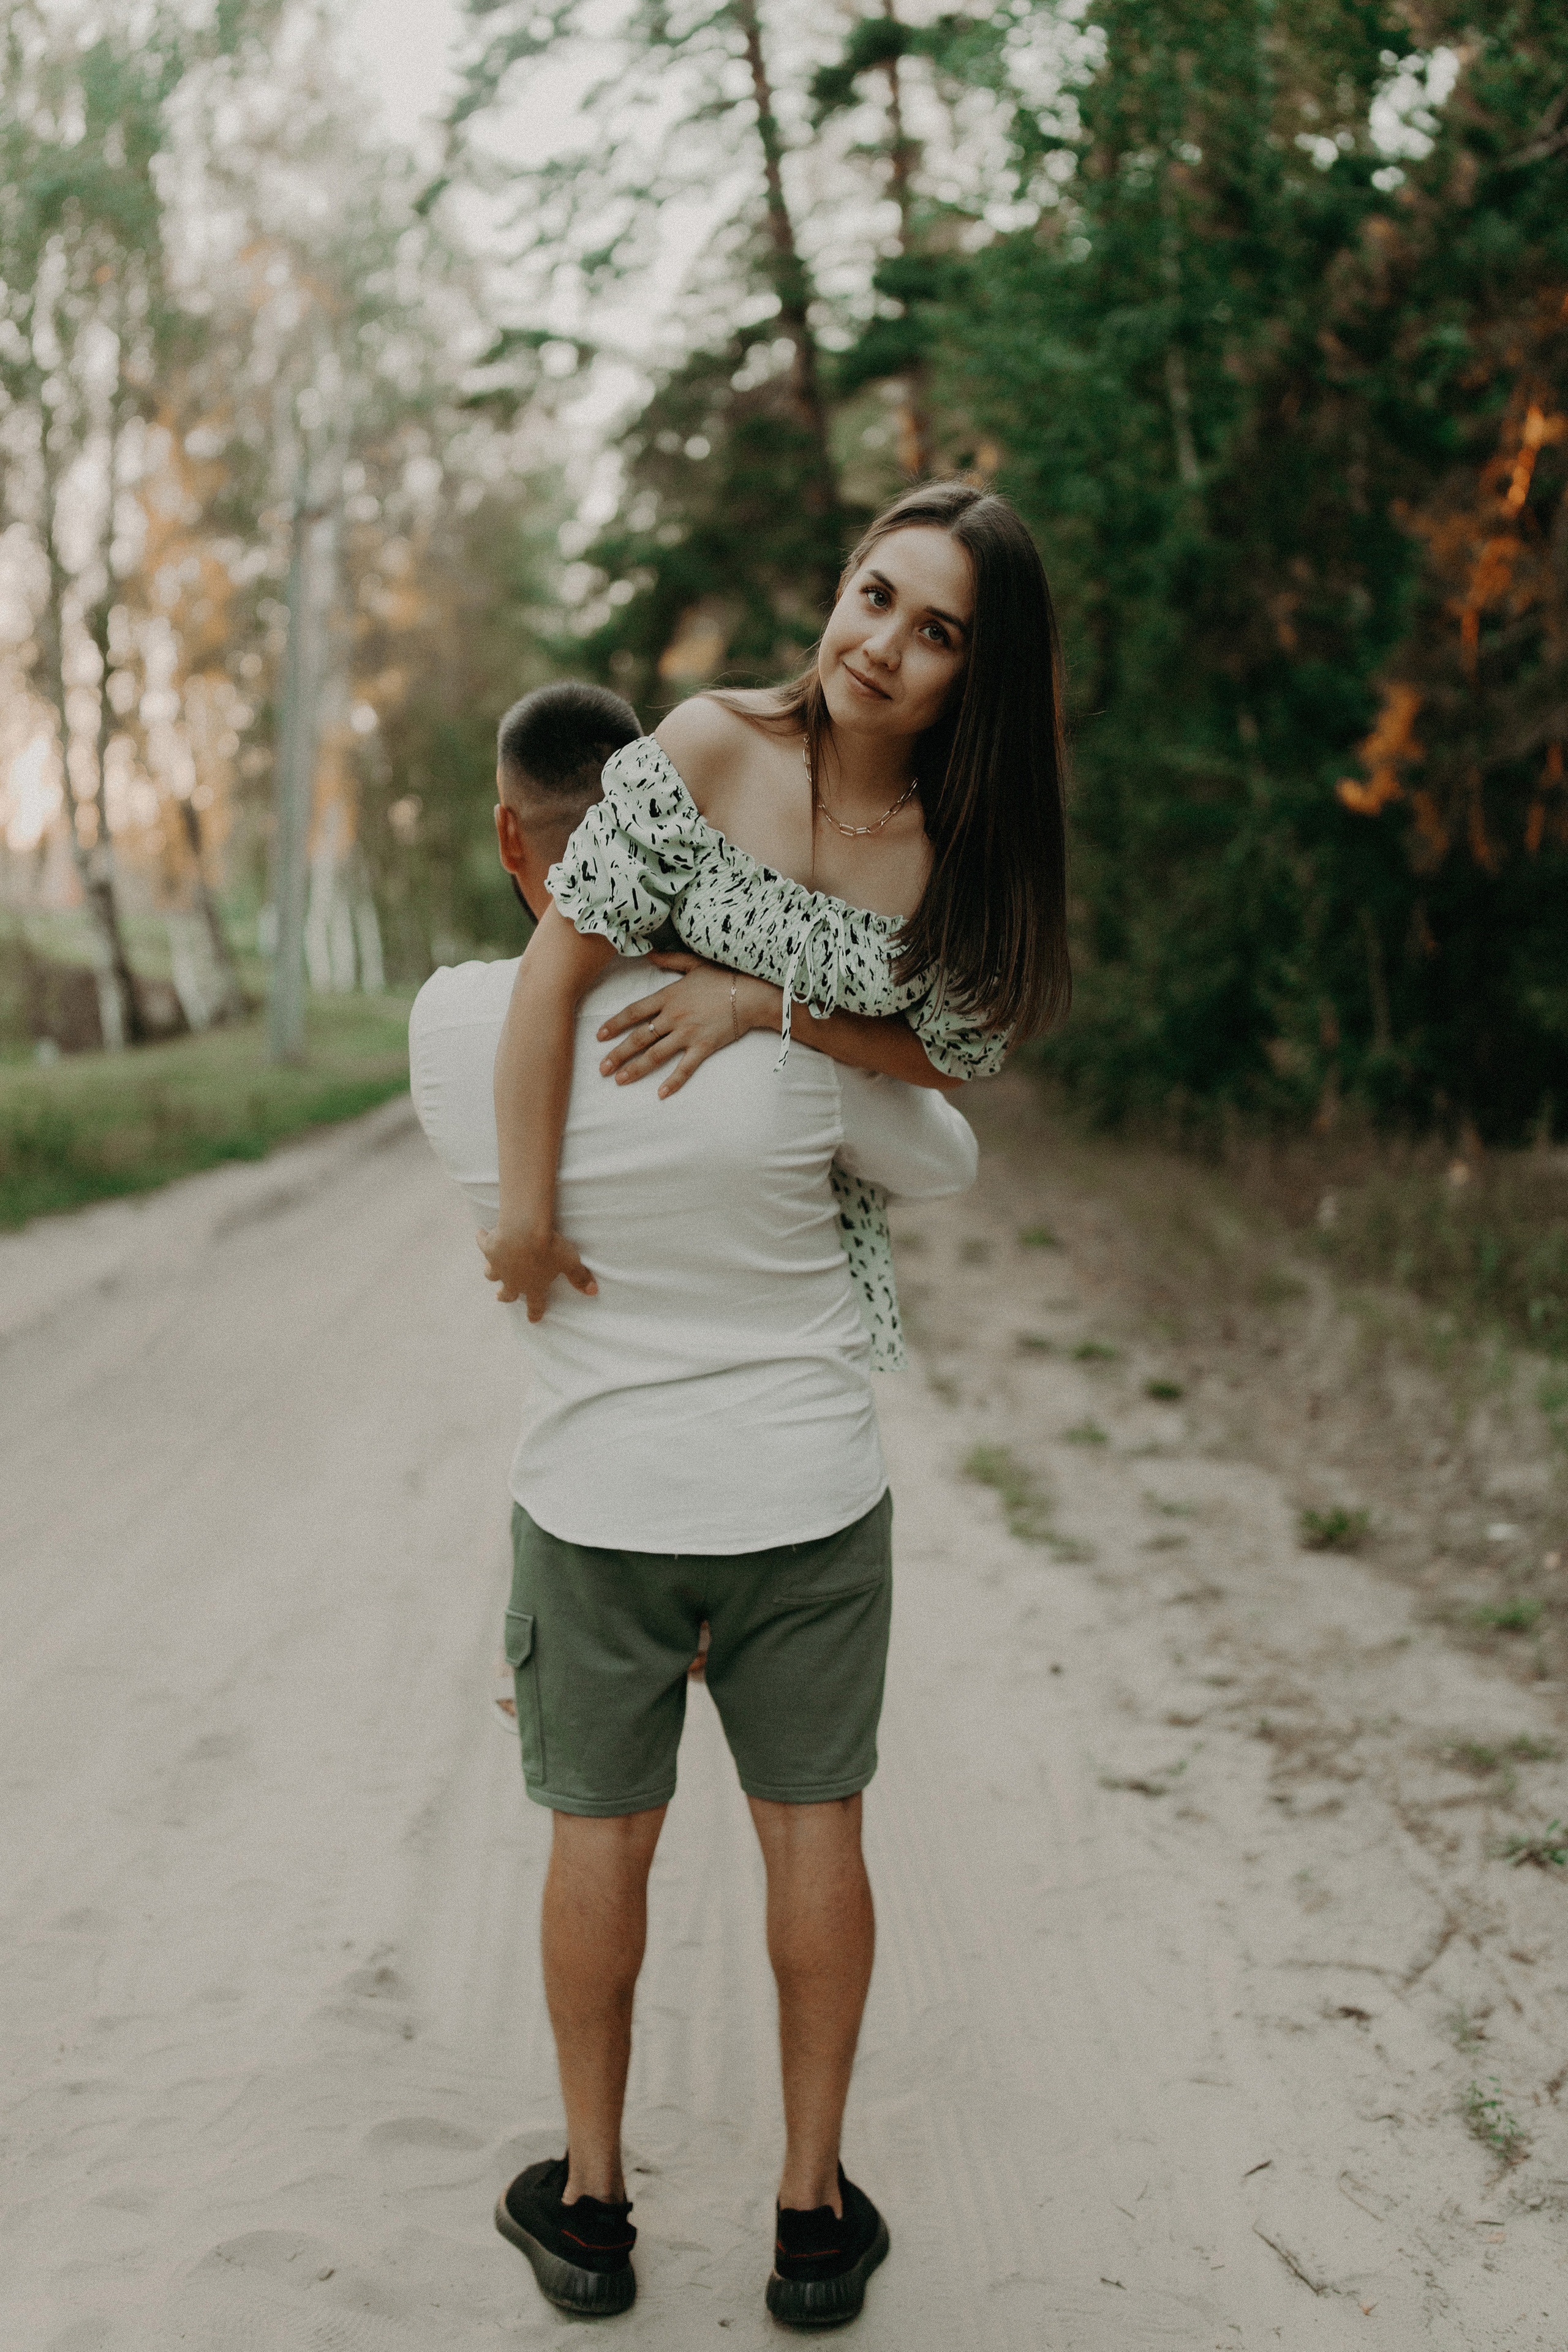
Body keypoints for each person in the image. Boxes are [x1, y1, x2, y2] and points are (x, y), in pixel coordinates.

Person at [408, 684, 980, 2326]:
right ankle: (810, 2217)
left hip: (598, 1497)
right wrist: (769, 1004)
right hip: (804, 1484)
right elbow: (944, 1161)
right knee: (818, 1833)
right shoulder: (766, 1026)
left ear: (514, 839)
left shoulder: (456, 1027)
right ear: (685, 824)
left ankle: (590, 2208)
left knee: (602, 1841)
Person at [478, 481, 1070, 1374]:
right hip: (651, 1223)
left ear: (978, 677)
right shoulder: (711, 745)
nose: (882, 648)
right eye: (876, 596)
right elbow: (550, 970)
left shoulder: (957, 852)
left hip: (814, 1261)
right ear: (843, 588)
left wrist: (761, 1004)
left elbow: (950, 1054)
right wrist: (525, 1221)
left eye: (936, 634)